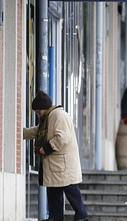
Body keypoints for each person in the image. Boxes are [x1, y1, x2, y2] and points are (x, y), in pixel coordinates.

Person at [23, 91, 88, 221]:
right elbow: (38, 131)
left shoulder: (58, 115)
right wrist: (21, 132)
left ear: (44, 108)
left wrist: (45, 148)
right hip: (56, 167)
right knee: (54, 194)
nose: (37, 114)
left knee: (72, 194)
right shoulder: (49, 117)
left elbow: (62, 137)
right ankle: (55, 218)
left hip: (63, 166)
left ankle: (81, 218)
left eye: (38, 111)